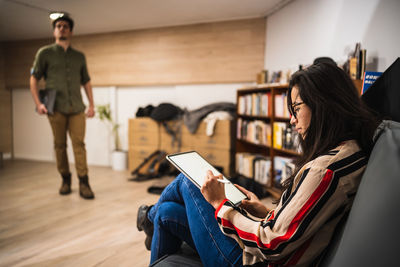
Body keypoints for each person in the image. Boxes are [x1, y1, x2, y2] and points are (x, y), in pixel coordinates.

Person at [137, 63, 380, 266]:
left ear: (325, 105)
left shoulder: (324, 171)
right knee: (168, 213)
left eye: (296, 109)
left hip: (253, 261)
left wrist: (222, 205)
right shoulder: (351, 153)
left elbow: (271, 244)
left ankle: (148, 215)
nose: (292, 120)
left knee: (187, 182)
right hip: (263, 252)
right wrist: (263, 212)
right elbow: (301, 222)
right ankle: (154, 215)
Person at [29, 15, 95, 199]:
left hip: (76, 109)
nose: (62, 28)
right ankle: (65, 179)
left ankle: (84, 183)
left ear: (71, 31)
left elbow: (86, 82)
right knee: (59, 145)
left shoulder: (79, 57)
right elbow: (33, 79)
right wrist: (38, 103)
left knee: (79, 145)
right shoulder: (44, 53)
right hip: (55, 108)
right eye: (58, 26)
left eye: (66, 26)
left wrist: (91, 105)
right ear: (54, 31)